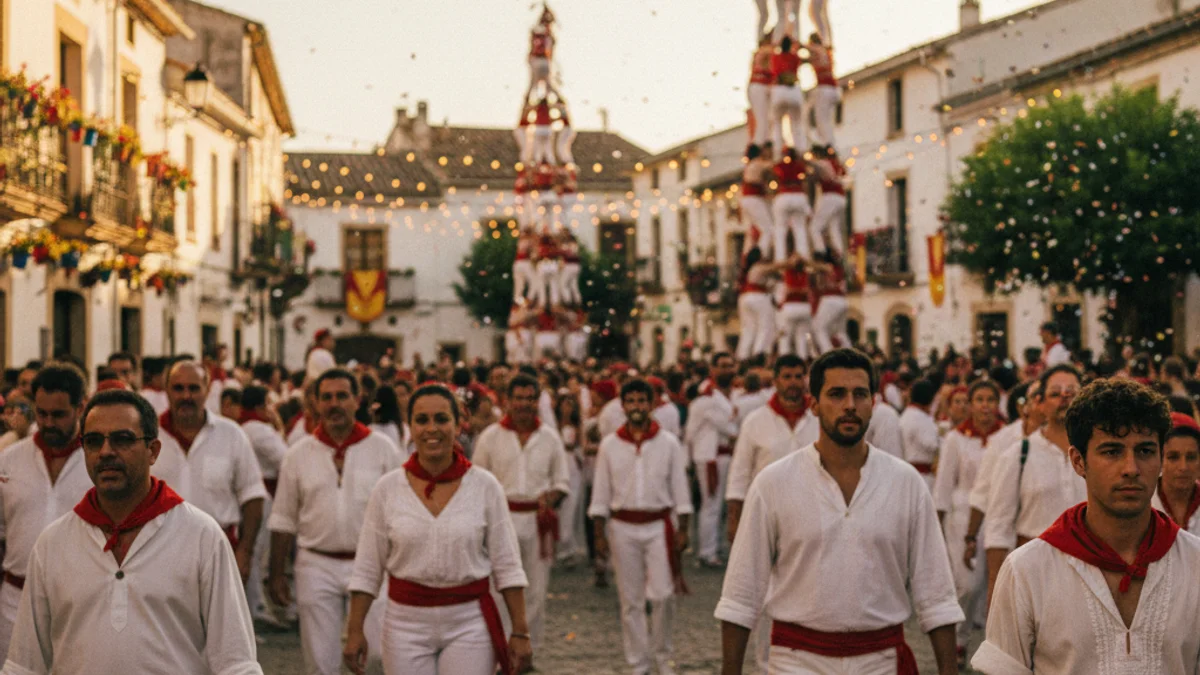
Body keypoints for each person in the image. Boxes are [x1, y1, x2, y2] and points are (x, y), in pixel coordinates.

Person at [716, 348, 962, 675]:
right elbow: (740, 596)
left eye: (860, 394)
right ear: (814, 404)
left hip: (881, 660)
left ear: (873, 403)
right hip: (795, 661)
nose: (849, 405)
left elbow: (937, 596)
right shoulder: (773, 483)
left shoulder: (906, 484)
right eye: (836, 394)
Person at [1, 389, 262, 674]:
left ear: (153, 451)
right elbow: (24, 665)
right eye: (93, 441)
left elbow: (236, 661)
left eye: (122, 439)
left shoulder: (201, 536)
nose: (106, 452)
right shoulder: (53, 543)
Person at [972, 379, 1200, 674]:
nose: (1131, 468)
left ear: (1159, 460)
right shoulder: (1028, 570)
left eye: (1144, 451)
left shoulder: (1194, 561)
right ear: (1079, 461)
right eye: (1112, 451)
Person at [343, 385, 531, 675]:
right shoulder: (388, 489)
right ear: (410, 426)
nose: (432, 429)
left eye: (442, 419)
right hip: (404, 623)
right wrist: (355, 630)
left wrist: (520, 631)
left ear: (458, 425)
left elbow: (508, 565)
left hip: (469, 622)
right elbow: (368, 567)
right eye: (422, 420)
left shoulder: (484, 486)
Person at [267, 369, 400, 675]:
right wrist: (275, 573)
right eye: (326, 397)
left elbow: (400, 511)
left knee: (378, 656)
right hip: (316, 563)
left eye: (342, 396)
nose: (334, 404)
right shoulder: (298, 454)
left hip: (371, 564)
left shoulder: (382, 449)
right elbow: (284, 516)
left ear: (357, 400)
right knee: (320, 663)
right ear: (315, 403)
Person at [588, 379, 692, 675]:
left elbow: (680, 489)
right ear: (623, 406)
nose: (636, 407)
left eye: (641, 401)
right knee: (630, 599)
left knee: (663, 595)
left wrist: (683, 526)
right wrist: (599, 533)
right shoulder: (610, 445)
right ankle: (638, 662)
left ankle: (662, 655)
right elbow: (601, 493)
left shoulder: (669, 443)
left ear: (652, 404)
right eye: (630, 401)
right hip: (623, 527)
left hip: (659, 526)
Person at [0, 364, 94, 656]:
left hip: (82, 602)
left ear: (81, 408)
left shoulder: (100, 463)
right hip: (15, 600)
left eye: (59, 415)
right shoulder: (9, 460)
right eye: (42, 414)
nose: (48, 422)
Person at [472, 375, 570, 653]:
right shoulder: (490, 437)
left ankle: (529, 651)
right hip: (501, 521)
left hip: (538, 522)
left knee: (536, 592)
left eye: (530, 398)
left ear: (537, 401)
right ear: (507, 401)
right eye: (519, 398)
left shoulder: (550, 438)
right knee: (499, 589)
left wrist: (551, 496)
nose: (524, 404)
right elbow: (476, 482)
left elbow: (562, 481)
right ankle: (500, 651)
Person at [152, 360, 267, 585]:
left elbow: (252, 496)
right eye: (178, 388)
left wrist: (245, 551)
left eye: (194, 388)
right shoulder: (147, 435)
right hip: (158, 554)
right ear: (167, 391)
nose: (186, 395)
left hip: (219, 553)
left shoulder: (231, 434)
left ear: (207, 390)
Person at [983, 365, 1086, 605]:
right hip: (1036, 578)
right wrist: (995, 591)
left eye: (1071, 392)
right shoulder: (1018, 454)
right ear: (1040, 402)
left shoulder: (1098, 453)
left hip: (1090, 575)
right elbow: (998, 528)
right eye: (1055, 393)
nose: (1064, 398)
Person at [932, 380, 1003, 666]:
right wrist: (937, 520)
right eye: (980, 399)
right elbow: (944, 484)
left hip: (998, 513)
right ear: (971, 404)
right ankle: (960, 639)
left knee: (996, 585)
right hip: (963, 517)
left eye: (990, 399)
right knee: (968, 584)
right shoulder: (956, 439)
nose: (985, 406)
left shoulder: (1006, 437)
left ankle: (995, 646)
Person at [237, 384, 289, 626]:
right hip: (263, 496)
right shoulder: (259, 430)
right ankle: (254, 607)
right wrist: (277, 425)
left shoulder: (240, 427)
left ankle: (254, 605)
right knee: (257, 554)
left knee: (254, 553)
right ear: (259, 407)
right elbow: (285, 458)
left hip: (248, 496)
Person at [686, 352, 740, 568]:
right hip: (712, 458)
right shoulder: (709, 398)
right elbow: (729, 428)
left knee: (718, 505)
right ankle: (707, 552)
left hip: (722, 455)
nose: (727, 370)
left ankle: (713, 547)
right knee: (712, 504)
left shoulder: (728, 394)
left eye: (730, 365)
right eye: (723, 366)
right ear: (714, 370)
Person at [1152, 412, 1200, 531]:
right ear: (1159, 459)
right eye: (1173, 457)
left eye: (1191, 457)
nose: (1183, 467)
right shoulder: (1142, 505)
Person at [734, 247, 779, 362]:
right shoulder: (758, 267)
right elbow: (777, 266)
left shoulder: (747, 270)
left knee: (748, 329)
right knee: (765, 327)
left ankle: (742, 356)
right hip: (758, 297)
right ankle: (759, 356)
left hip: (744, 298)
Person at [771, 148, 813, 261]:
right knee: (800, 229)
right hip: (799, 196)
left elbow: (774, 176)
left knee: (780, 229)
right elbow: (805, 182)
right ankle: (803, 257)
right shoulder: (800, 166)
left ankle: (780, 259)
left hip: (783, 196)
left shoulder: (779, 166)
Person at [900, 378, 941, 491]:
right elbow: (932, 445)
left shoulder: (907, 414)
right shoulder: (921, 418)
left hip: (909, 474)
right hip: (922, 476)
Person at [770, 36, 807, 153]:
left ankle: (778, 152)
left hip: (779, 90)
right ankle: (800, 150)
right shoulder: (795, 57)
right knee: (797, 123)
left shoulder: (775, 57)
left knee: (777, 123)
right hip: (793, 90)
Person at [810, 250, 850, 354]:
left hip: (830, 299)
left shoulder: (828, 267)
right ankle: (850, 355)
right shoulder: (839, 269)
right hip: (842, 301)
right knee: (840, 332)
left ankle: (827, 354)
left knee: (819, 328)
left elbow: (818, 271)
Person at [740, 144, 775, 260]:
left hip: (748, 200)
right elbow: (774, 166)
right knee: (768, 229)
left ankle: (750, 255)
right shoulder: (757, 163)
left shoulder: (750, 165)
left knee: (756, 230)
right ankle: (760, 255)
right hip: (753, 199)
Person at [810, 148, 848, 256]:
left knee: (815, 228)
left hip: (829, 197)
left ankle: (820, 252)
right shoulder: (837, 164)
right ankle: (840, 254)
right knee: (834, 228)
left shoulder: (823, 163)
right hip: (841, 198)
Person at [804, 34, 839, 147]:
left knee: (822, 119)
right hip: (832, 89)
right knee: (825, 119)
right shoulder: (824, 53)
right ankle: (828, 143)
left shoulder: (819, 50)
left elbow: (808, 49)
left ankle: (827, 145)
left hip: (825, 88)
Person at [776, 256, 814, 358]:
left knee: (785, 336)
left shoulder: (788, 273)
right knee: (801, 338)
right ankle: (802, 359)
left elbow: (788, 289)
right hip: (805, 307)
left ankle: (784, 360)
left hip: (790, 306)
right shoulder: (806, 274)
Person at [747, 35, 774, 149]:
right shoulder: (766, 50)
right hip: (759, 85)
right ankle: (760, 145)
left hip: (759, 86)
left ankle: (763, 143)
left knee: (765, 118)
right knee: (763, 119)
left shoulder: (760, 51)